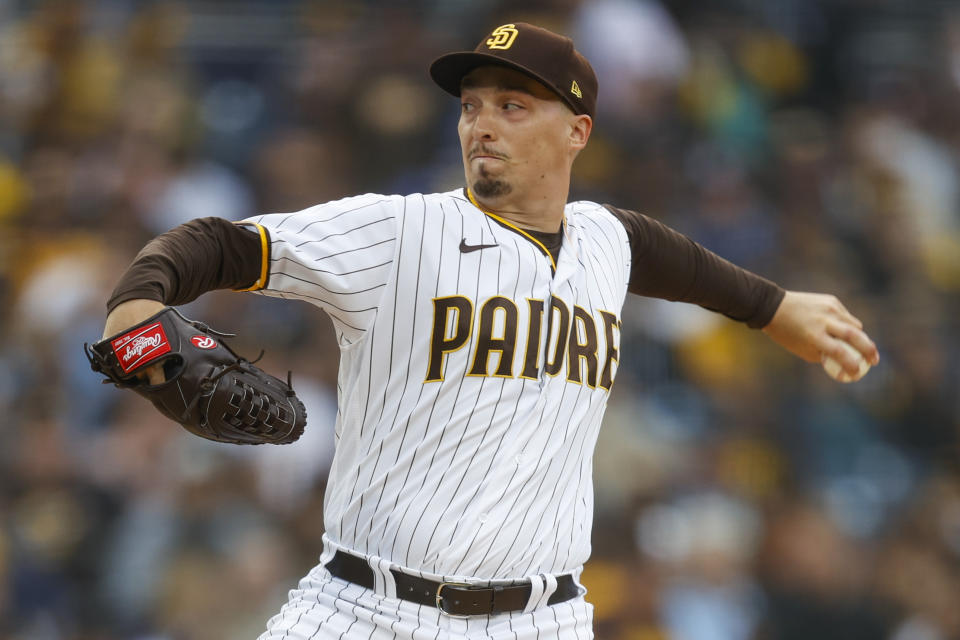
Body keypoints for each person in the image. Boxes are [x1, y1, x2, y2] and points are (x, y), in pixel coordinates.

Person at [101, 22, 879, 640]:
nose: (482, 123)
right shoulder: (402, 231)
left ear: (577, 132)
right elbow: (214, 244)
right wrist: (133, 323)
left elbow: (666, 257)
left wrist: (774, 308)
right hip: (365, 610)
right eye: (473, 105)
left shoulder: (607, 239)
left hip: (544, 619)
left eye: (513, 105)